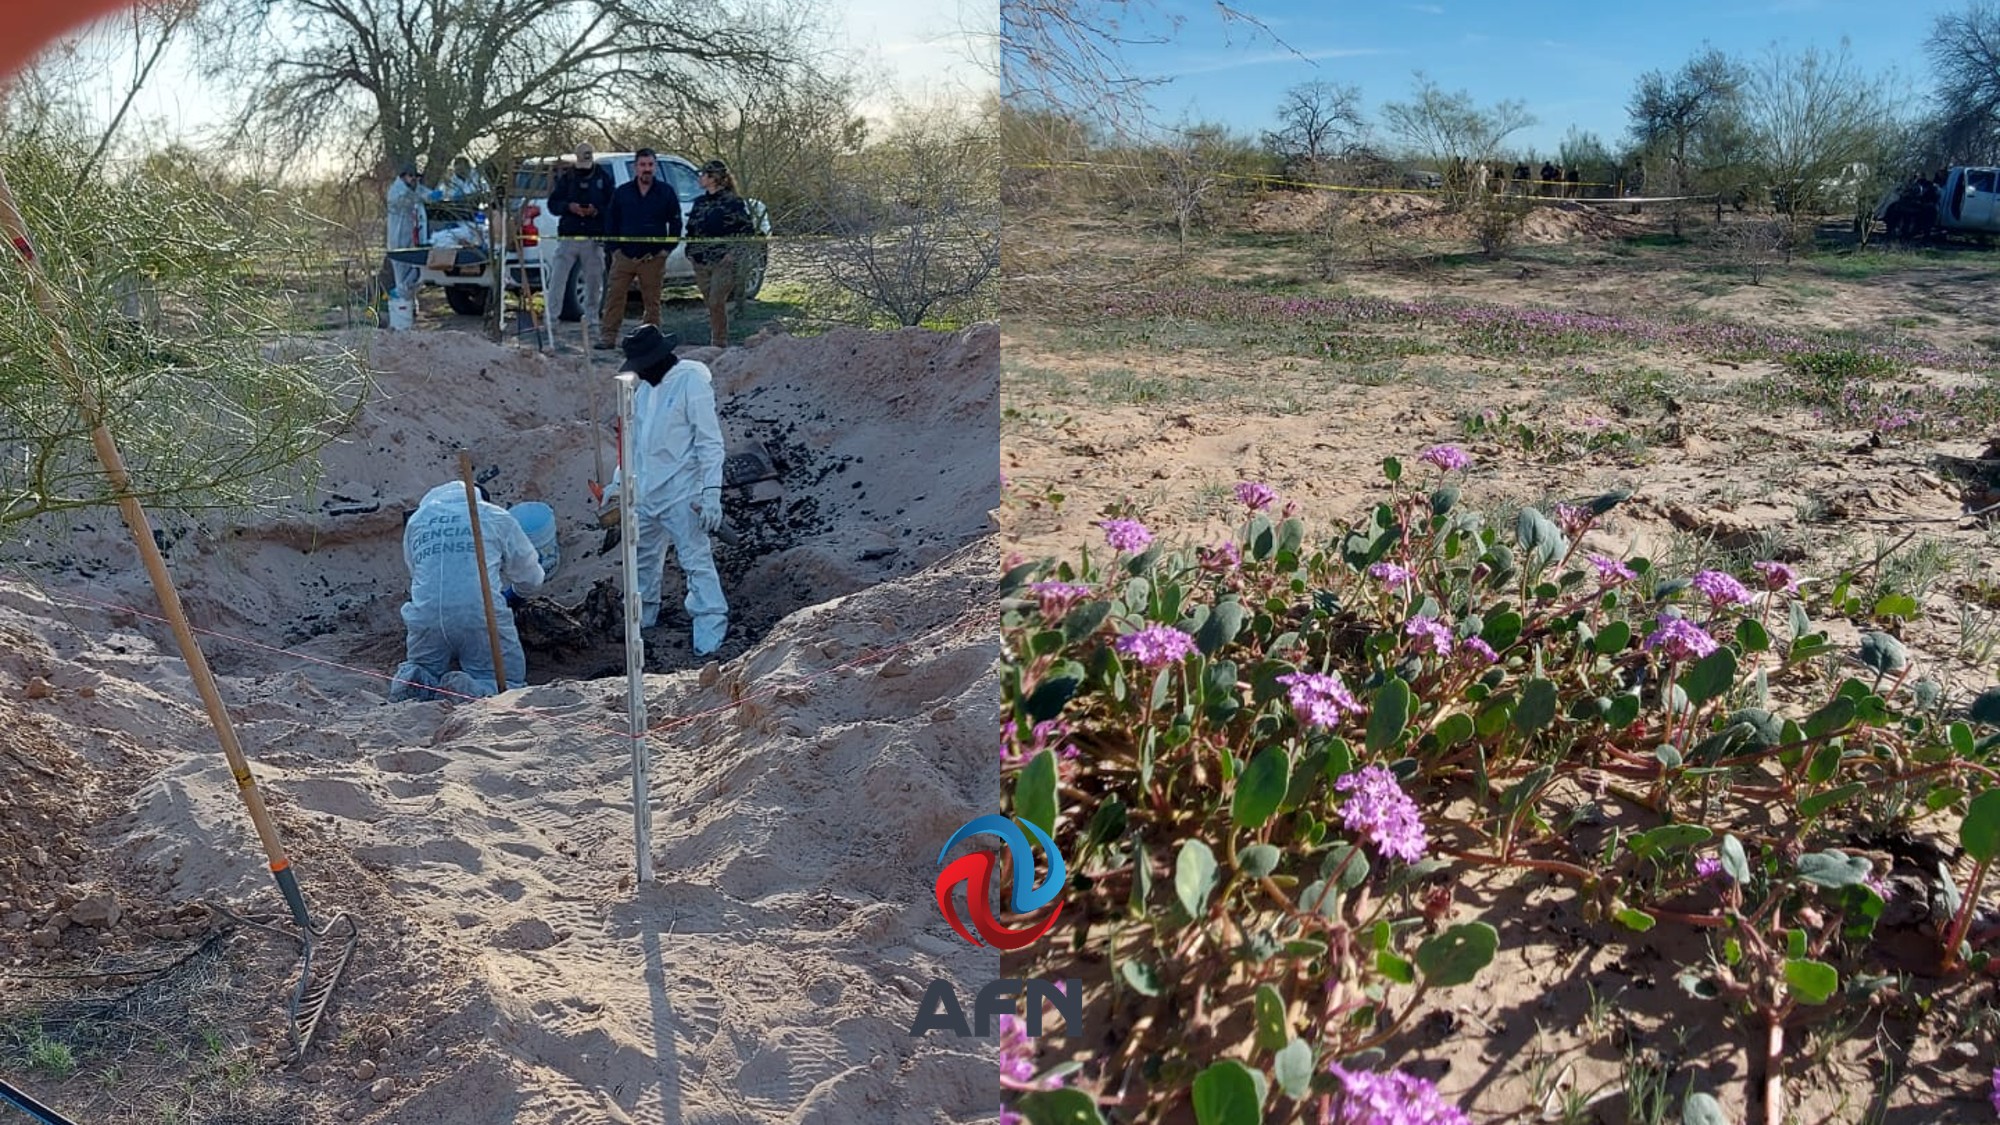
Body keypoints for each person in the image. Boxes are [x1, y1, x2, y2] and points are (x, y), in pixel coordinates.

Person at [608, 325, 728, 654]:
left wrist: (711, 493)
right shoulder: (641, 390)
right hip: (645, 494)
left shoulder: (691, 383)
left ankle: (710, 626)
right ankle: (642, 620)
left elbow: (710, 443)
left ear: (656, 359)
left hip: (682, 493)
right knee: (641, 560)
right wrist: (618, 483)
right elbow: (632, 447)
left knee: (695, 561)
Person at [390, 482, 546, 702]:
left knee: (422, 668)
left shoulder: (417, 520)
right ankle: (466, 689)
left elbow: (417, 575)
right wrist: (516, 595)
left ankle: (412, 685)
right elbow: (532, 577)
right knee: (506, 681)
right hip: (478, 615)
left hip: (425, 616)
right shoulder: (494, 516)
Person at [596, 148, 682, 350]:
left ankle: (650, 340)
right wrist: (614, 249)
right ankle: (608, 338)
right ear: (635, 167)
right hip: (624, 256)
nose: (647, 169)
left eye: (650, 165)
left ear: (655, 167)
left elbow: (676, 223)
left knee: (652, 302)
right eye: (643, 165)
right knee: (614, 297)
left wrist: (666, 250)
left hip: (653, 257)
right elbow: (611, 223)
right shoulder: (622, 192)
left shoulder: (666, 192)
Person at [685, 159, 759, 348]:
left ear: (714, 178)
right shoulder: (700, 202)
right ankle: (715, 337)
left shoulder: (732, 202)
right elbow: (692, 229)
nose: (700, 178)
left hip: (723, 261)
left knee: (717, 300)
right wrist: (690, 252)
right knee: (710, 303)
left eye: (703, 174)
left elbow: (746, 231)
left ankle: (719, 341)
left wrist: (733, 253)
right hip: (701, 260)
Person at [546, 144, 615, 345]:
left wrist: (596, 210)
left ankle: (592, 320)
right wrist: (569, 207)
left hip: (593, 238)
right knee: (558, 280)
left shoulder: (603, 177)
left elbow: (612, 205)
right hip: (569, 236)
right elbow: (553, 204)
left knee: (594, 282)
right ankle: (551, 320)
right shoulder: (567, 178)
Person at [385, 162, 428, 299]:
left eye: (416, 176)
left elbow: (425, 193)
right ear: (403, 177)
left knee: (415, 268)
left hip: (411, 236)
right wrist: (424, 198)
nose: (414, 179)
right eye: (411, 176)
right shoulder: (396, 191)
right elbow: (410, 199)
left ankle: (405, 297)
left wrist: (436, 195)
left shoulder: (414, 188)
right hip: (398, 237)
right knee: (402, 270)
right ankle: (402, 299)